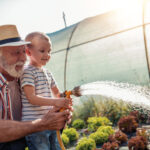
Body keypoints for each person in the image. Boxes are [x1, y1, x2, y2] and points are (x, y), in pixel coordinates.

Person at [0, 24, 72, 150]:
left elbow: (55, 94)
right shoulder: (26, 73)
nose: (23, 58)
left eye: (23, 51)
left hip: (21, 139)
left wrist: (61, 111)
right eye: (16, 53)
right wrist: (42, 123)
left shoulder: (19, 76)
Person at [20, 31, 71, 150]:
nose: (47, 55)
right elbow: (31, 98)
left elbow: (57, 94)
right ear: (28, 52)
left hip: (51, 122)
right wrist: (55, 102)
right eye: (42, 51)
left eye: (49, 51)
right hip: (35, 127)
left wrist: (65, 99)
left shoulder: (47, 72)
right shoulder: (27, 71)